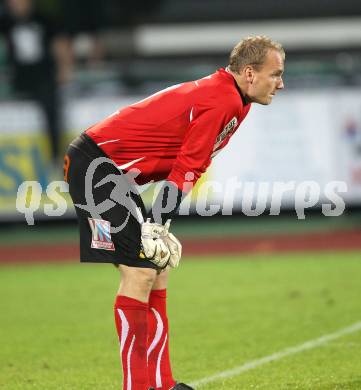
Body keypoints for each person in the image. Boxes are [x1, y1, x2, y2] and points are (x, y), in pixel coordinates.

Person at [64, 36, 285, 390]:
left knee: (158, 266)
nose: (281, 82)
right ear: (249, 73)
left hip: (113, 173)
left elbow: (187, 169)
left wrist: (158, 223)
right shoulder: (224, 98)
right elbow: (185, 168)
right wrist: (158, 223)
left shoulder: (236, 99)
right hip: (96, 167)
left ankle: (161, 383)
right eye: (275, 74)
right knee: (139, 272)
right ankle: (139, 386)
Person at [0, 0, 72, 166]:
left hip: (43, 75)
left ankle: (56, 157)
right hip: (17, 76)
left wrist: (63, 69)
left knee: (52, 108)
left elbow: (60, 44)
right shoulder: (5, 21)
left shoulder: (44, 19)